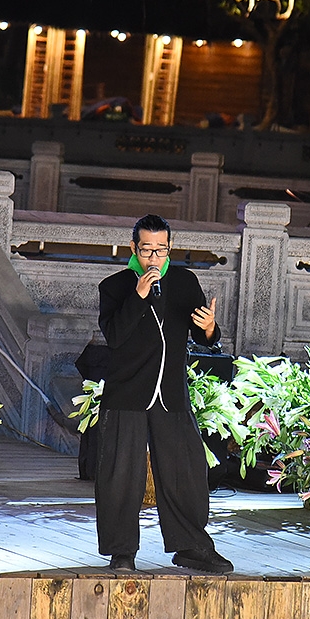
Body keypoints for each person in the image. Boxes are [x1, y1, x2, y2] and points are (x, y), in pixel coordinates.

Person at [95, 214, 233, 574]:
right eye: (146, 250)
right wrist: (139, 297)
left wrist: (210, 328)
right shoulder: (115, 287)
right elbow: (115, 336)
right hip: (127, 393)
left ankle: (191, 547)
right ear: (133, 248)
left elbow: (204, 335)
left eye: (161, 250)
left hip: (170, 392)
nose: (154, 258)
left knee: (185, 470)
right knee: (121, 475)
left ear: (170, 248)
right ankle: (121, 551)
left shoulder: (185, 282)